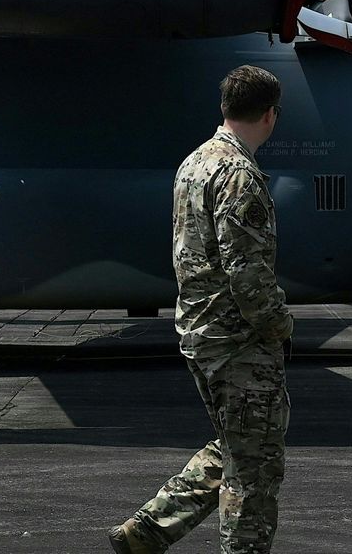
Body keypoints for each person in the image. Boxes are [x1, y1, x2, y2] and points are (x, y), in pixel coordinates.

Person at [110, 65, 294, 554]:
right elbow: (247, 273)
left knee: (237, 445)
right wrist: (280, 325)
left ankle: (149, 531)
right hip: (237, 341)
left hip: (201, 332)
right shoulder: (238, 174)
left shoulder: (194, 163)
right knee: (254, 472)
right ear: (270, 115)